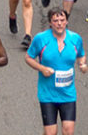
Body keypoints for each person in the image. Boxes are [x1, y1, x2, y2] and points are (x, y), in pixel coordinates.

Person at [26, 7, 86, 135]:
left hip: (68, 94)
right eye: (55, 20)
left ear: (66, 22)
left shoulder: (75, 39)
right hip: (48, 95)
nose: (59, 23)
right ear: (50, 23)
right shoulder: (41, 39)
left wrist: (82, 64)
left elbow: (81, 54)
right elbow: (28, 58)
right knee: (50, 133)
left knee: (68, 131)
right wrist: (42, 68)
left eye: (62, 20)